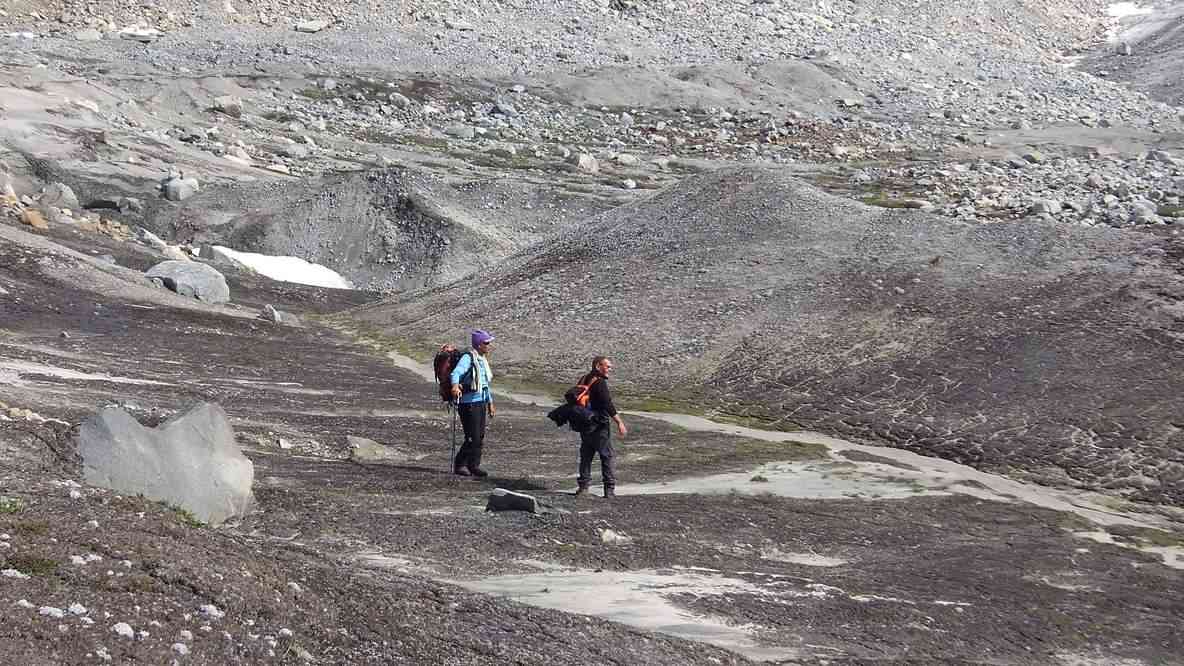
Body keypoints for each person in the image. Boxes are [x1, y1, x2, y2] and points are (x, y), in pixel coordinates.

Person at [576, 356, 627, 498]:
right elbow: (607, 404)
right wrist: (619, 422)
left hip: (584, 423)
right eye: (608, 366)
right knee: (607, 456)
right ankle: (609, 491)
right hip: (599, 424)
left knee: (586, 455)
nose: (610, 369)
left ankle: (583, 488)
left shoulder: (584, 378)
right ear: (598, 366)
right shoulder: (599, 382)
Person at [449, 329, 496, 477]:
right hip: (468, 403)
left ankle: (474, 465)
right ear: (479, 344)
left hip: (480, 401)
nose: (489, 346)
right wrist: (455, 386)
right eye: (486, 343)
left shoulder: (482, 360)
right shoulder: (468, 358)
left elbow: (484, 384)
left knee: (479, 436)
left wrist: (490, 403)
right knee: (472, 436)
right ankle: (460, 464)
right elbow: (456, 373)